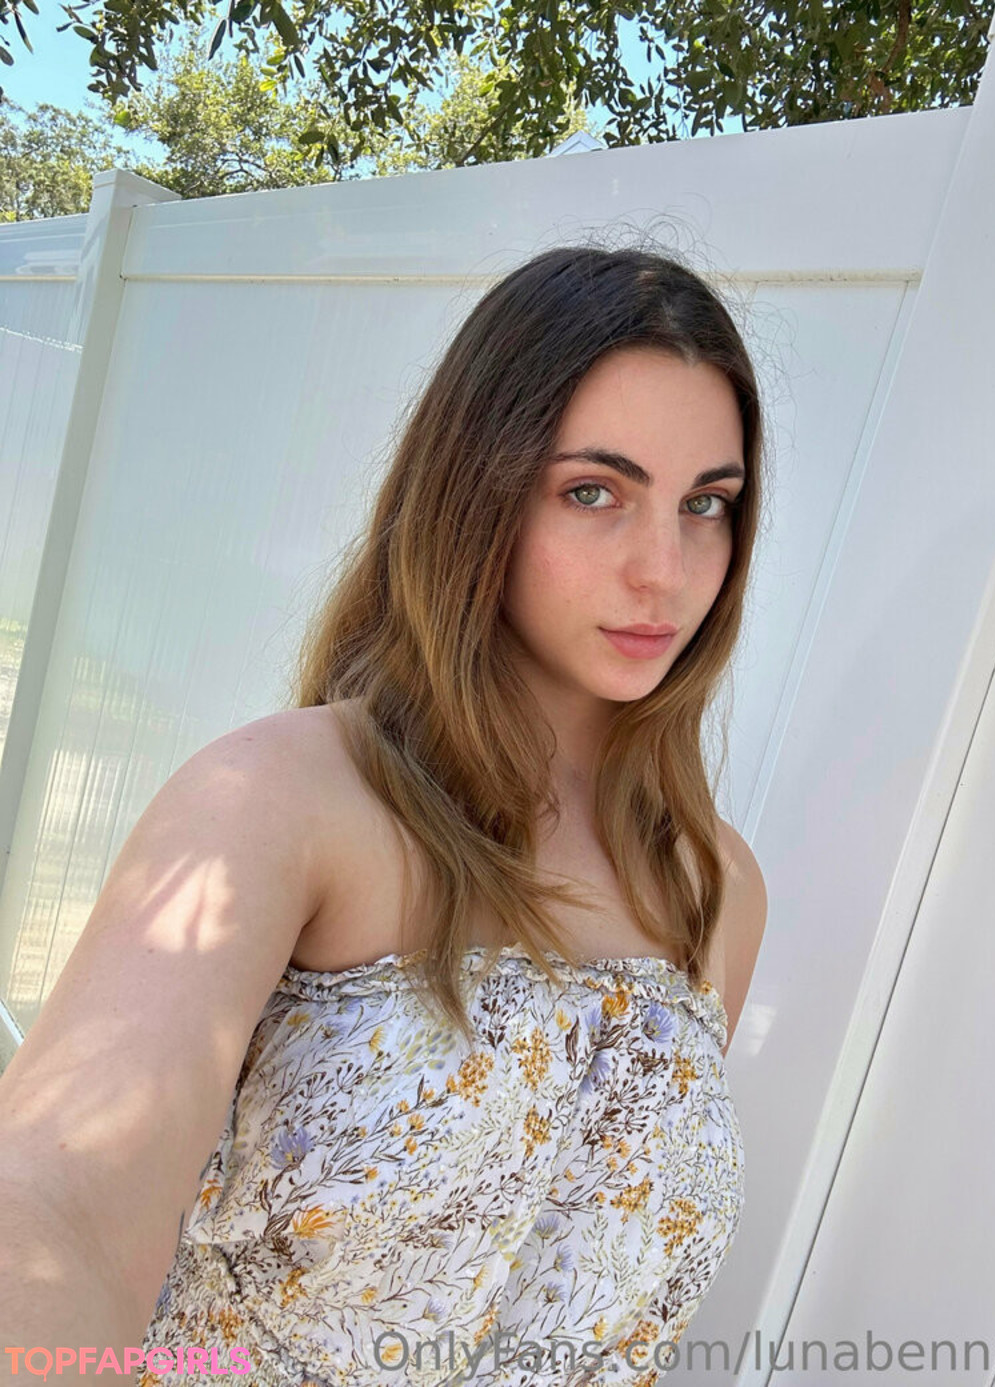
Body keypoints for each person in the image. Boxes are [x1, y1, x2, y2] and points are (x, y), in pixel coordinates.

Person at [0, 240, 769, 1386]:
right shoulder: (286, 799)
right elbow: (62, 1200)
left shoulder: (716, 888)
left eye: (707, 503)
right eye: (593, 492)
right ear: (477, 491)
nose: (666, 567)